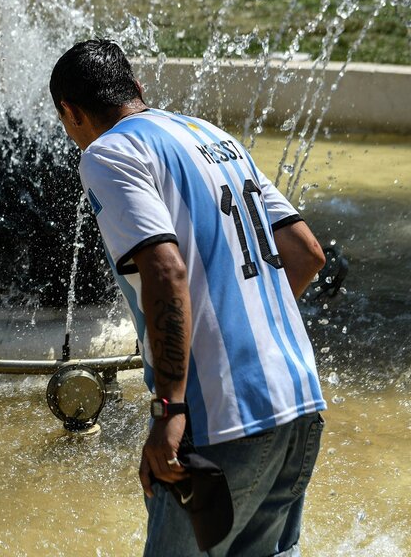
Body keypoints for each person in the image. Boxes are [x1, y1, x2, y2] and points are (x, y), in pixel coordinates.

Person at [49, 39, 328, 556]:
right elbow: (306, 253)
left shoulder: (109, 152)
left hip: (221, 418)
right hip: (300, 399)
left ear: (70, 112)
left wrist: (170, 409)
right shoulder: (213, 137)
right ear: (137, 88)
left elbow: (165, 270)